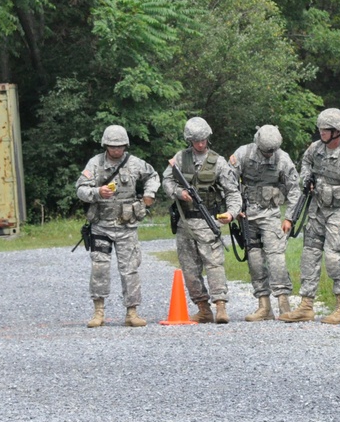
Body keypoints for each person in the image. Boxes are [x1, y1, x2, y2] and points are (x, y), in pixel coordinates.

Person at [280, 108, 340, 325]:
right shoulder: (315, 149)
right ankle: (306, 306)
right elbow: (304, 164)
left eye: (326, 129)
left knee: (334, 258)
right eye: (320, 128)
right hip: (316, 210)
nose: (321, 132)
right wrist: (306, 179)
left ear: (337, 131)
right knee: (309, 256)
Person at [76, 125, 160, 327]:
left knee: (130, 269)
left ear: (125, 145)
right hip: (101, 225)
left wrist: (149, 195)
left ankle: (132, 312)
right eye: (113, 147)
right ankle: (98, 313)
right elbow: (80, 189)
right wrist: (97, 192)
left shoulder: (134, 163)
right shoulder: (95, 163)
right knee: (99, 268)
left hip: (126, 226)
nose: (116, 150)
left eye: (120, 146)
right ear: (105, 145)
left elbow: (153, 176)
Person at [162, 117, 242, 324]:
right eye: (197, 140)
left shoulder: (219, 162)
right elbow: (167, 182)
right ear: (190, 140)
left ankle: (220, 306)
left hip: (209, 222)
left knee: (215, 264)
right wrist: (180, 193)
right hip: (185, 223)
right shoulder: (180, 159)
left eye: (204, 139)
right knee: (189, 268)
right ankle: (203, 308)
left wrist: (231, 213)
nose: (200, 144)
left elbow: (233, 191)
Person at [229, 125, 301, 321]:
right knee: (255, 260)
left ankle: (284, 305)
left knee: (276, 258)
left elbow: (295, 189)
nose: (269, 154)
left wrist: (289, 218)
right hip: (247, 216)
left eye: (272, 151)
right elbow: (229, 184)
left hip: (270, 214)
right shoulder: (243, 154)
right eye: (266, 150)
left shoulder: (283, 158)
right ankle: (264, 306)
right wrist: (235, 210)